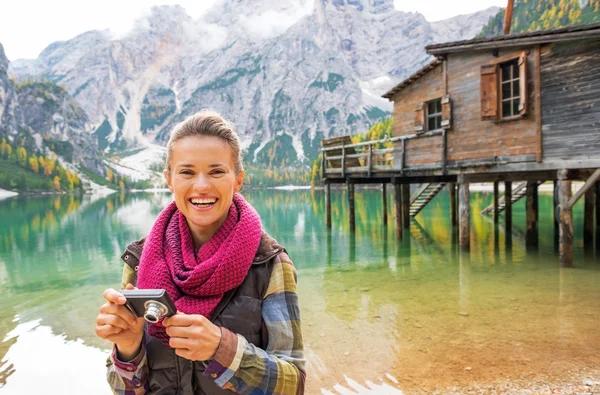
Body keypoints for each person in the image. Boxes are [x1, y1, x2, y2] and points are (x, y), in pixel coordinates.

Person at [95, 110, 306, 394]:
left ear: (238, 179)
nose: (202, 186)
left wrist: (224, 349)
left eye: (217, 171)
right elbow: (125, 391)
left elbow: (294, 384)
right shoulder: (139, 260)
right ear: (169, 179)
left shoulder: (270, 263)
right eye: (187, 172)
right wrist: (128, 347)